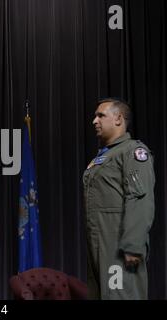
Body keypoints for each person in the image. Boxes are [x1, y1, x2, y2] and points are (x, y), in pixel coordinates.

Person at [83, 98, 155, 300]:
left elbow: (139, 199)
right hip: (98, 245)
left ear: (118, 119)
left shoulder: (133, 151)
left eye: (101, 115)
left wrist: (133, 245)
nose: (94, 121)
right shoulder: (103, 157)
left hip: (119, 246)